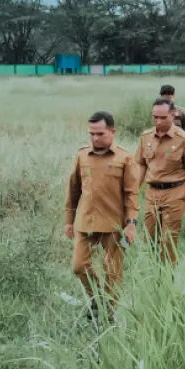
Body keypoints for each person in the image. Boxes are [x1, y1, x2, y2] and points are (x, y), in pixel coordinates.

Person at [64, 111, 139, 319]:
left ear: (112, 131)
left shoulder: (124, 158)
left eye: (100, 134)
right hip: (85, 221)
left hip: (114, 224)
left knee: (112, 271)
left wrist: (131, 223)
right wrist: (68, 220)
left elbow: (131, 194)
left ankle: (109, 313)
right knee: (79, 266)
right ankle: (96, 297)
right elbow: (73, 190)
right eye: (92, 134)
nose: (95, 138)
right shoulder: (82, 156)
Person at [135, 98, 185, 267]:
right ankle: (152, 270)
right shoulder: (145, 137)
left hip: (175, 193)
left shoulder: (184, 139)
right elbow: (141, 166)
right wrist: (132, 193)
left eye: (163, 117)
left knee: (168, 238)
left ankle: (168, 275)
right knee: (148, 237)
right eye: (155, 117)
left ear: (173, 115)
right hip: (152, 193)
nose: (158, 121)